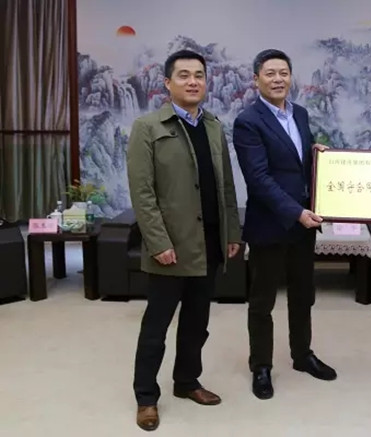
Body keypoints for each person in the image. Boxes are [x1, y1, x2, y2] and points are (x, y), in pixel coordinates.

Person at [127, 49, 242, 431]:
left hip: (209, 244)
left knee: (197, 322)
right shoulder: (147, 127)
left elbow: (226, 186)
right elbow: (142, 192)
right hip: (171, 248)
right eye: (184, 75)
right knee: (156, 327)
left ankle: (187, 381)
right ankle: (146, 397)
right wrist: (158, 242)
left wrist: (231, 232)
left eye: (199, 75)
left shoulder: (213, 126)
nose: (193, 82)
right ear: (167, 82)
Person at [232, 49, 336, 401]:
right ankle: (261, 366)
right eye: (270, 73)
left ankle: (302, 355)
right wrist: (296, 212)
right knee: (262, 300)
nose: (278, 79)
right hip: (270, 224)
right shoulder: (248, 121)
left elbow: (294, 163)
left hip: (302, 225)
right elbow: (259, 178)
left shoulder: (300, 114)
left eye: (284, 73)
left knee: (303, 295)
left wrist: (315, 155)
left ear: (291, 77)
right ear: (256, 79)